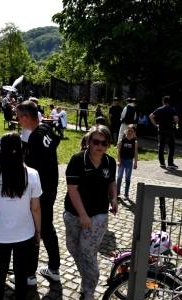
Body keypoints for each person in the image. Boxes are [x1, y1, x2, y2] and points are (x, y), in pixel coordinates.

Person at [0, 132, 42, 300]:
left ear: (1, 149)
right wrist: (38, 231)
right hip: (25, 233)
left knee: (0, 271)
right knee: (21, 272)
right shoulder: (32, 174)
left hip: (0, 234)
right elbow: (36, 208)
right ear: (21, 148)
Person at [64, 125, 117, 300]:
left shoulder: (109, 162)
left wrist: (114, 198)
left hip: (98, 214)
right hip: (73, 213)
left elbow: (111, 182)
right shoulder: (77, 160)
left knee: (88, 250)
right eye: (96, 141)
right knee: (73, 247)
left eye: (104, 143)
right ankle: (86, 277)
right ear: (89, 141)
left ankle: (89, 289)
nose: (100, 146)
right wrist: (82, 215)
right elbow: (73, 190)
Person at [16, 100, 61, 284]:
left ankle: (29, 274)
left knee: (33, 229)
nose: (18, 121)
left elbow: (30, 172)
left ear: (26, 117)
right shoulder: (46, 129)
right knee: (47, 228)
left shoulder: (35, 139)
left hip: (39, 193)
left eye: (19, 118)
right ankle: (54, 268)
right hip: (51, 189)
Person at [149, 95, 179, 169]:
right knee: (171, 146)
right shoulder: (172, 109)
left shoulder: (159, 109)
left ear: (163, 102)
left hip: (161, 129)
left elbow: (151, 116)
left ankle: (162, 163)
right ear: (169, 102)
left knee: (161, 146)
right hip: (169, 130)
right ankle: (170, 163)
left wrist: (156, 124)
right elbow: (176, 120)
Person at [117, 124, 138, 200]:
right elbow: (118, 152)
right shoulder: (122, 141)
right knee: (119, 177)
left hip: (129, 161)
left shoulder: (134, 142)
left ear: (134, 133)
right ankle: (117, 191)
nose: (130, 132)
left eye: (132, 131)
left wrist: (135, 162)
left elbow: (135, 153)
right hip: (122, 160)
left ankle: (126, 193)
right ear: (126, 131)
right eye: (128, 130)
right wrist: (119, 161)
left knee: (127, 178)